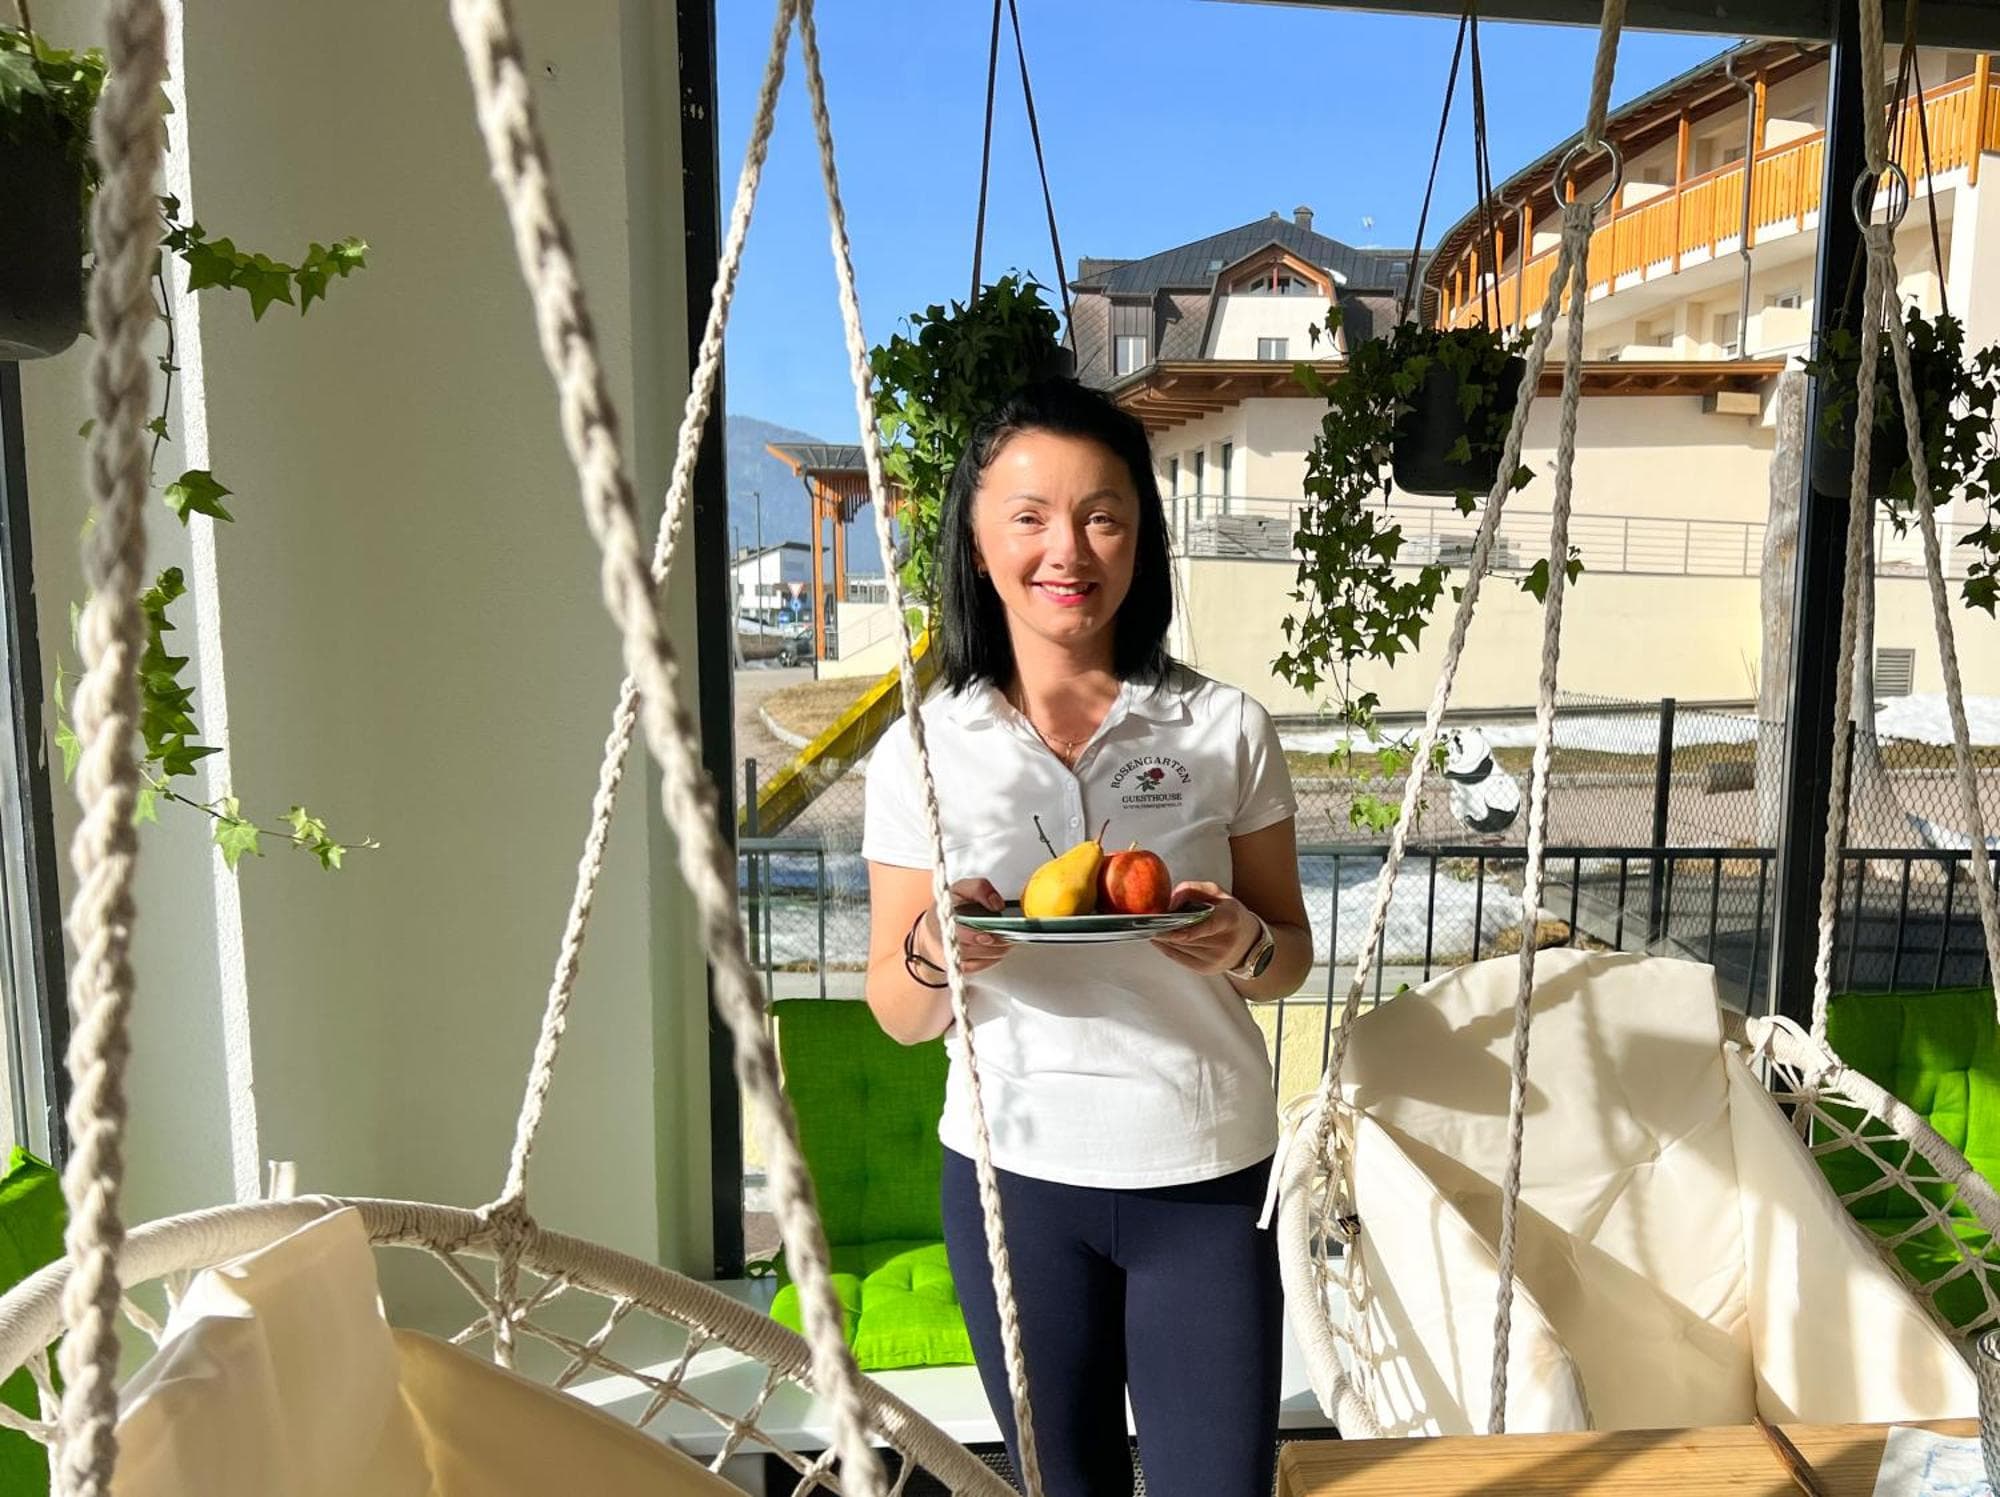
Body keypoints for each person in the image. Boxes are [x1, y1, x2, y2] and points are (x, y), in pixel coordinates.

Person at [862, 378, 1312, 1497]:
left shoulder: (1223, 726)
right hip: (1012, 1177)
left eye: (1102, 515)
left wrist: (1240, 944)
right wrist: (939, 952)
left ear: (1139, 538)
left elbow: (1288, 955)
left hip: (1206, 1171)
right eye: (1029, 516)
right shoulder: (922, 748)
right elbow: (899, 1012)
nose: (1067, 548)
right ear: (976, 543)